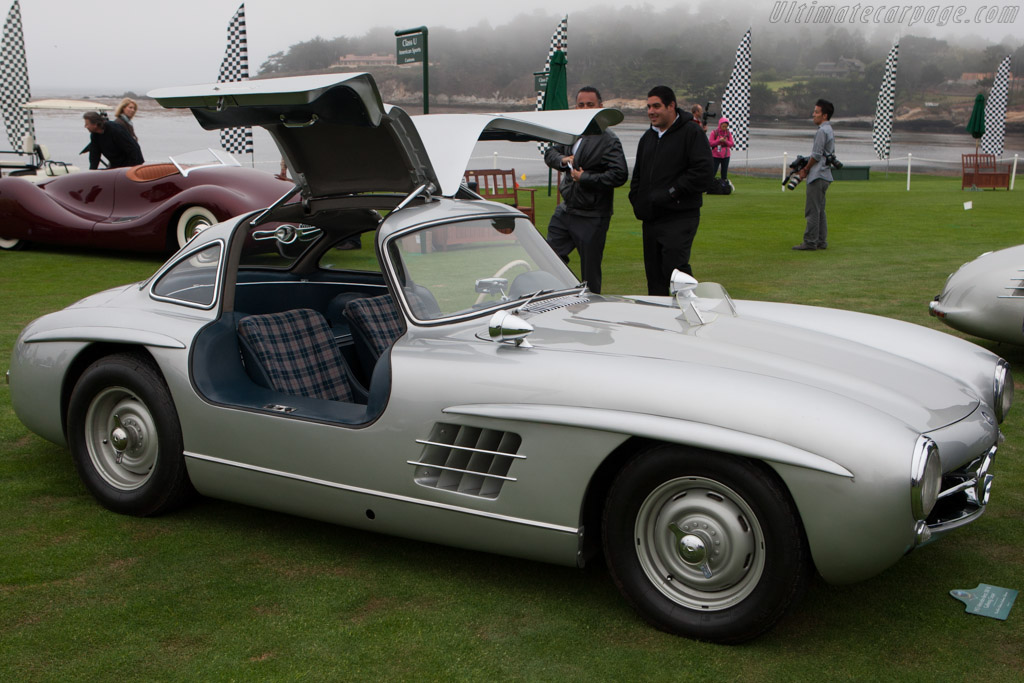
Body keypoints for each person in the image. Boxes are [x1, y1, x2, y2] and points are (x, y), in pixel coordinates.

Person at [628, 85, 714, 295]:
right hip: (651, 219)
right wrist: (638, 200)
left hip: (680, 215)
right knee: (654, 276)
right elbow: (638, 175)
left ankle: (688, 317)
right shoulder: (647, 138)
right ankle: (658, 324)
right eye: (648, 107)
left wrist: (671, 193)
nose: (651, 111)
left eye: (656, 106)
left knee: (675, 272)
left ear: (671, 106)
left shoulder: (691, 132)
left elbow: (703, 172)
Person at [542, 86, 628, 294]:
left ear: (600, 107)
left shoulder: (609, 140)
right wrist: (563, 160)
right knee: (549, 258)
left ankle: (593, 316)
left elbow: (619, 174)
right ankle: (558, 299)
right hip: (566, 210)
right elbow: (549, 153)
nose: (585, 108)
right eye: (581, 105)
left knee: (589, 273)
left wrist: (585, 177)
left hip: (592, 215)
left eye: (590, 104)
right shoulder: (570, 133)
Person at [793, 99, 835, 251]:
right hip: (825, 175)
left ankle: (810, 241)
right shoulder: (829, 130)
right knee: (820, 210)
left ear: (824, 115)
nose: (813, 115)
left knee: (812, 210)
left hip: (817, 175)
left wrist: (805, 169)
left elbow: (816, 155)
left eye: (817, 112)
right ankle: (821, 241)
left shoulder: (822, 131)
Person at [709, 117, 734, 181]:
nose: (724, 128)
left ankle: (723, 186)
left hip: (726, 155)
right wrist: (719, 141)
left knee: (724, 173)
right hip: (716, 155)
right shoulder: (714, 133)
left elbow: (731, 144)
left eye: (726, 127)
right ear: (720, 125)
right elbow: (710, 143)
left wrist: (725, 141)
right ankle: (710, 185)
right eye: (723, 126)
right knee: (713, 172)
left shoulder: (728, 133)